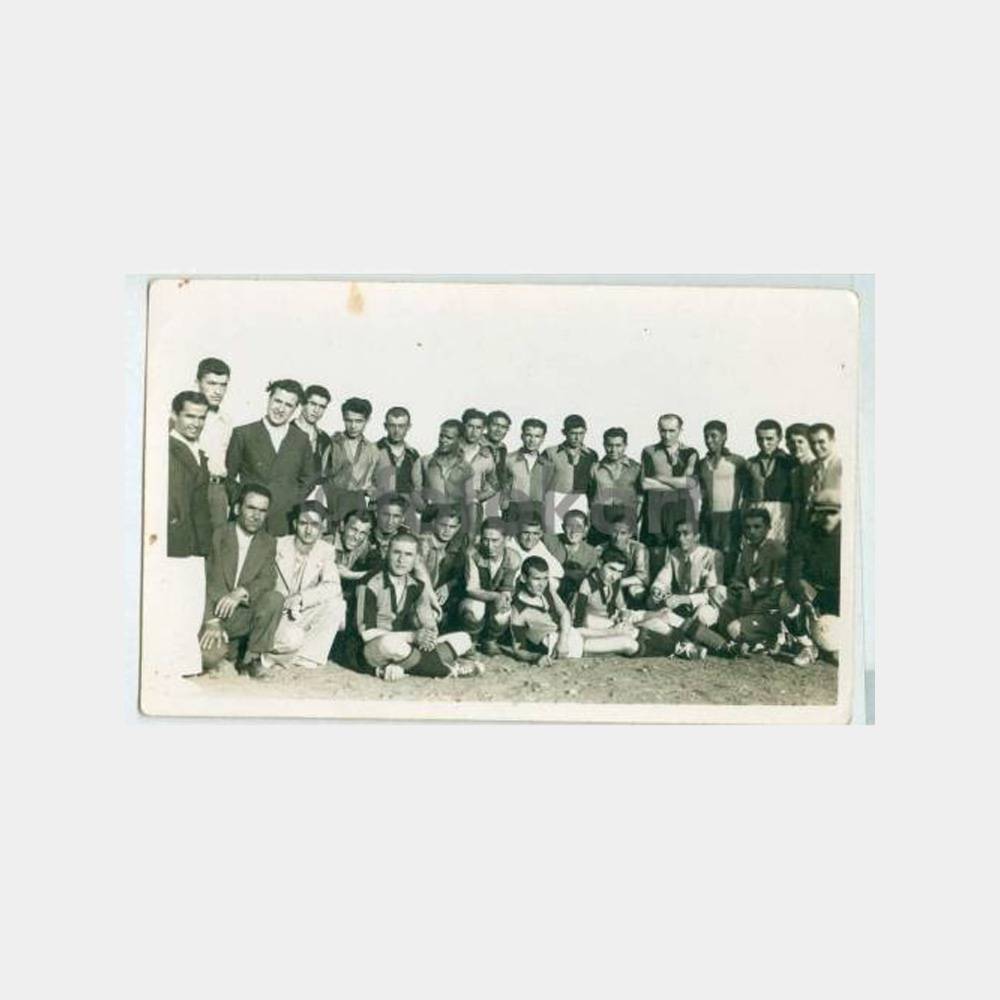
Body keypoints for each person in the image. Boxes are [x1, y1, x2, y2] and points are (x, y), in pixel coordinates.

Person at [357, 532, 484, 681]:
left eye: (408, 554)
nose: (401, 560)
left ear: (416, 559)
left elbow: (428, 624)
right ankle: (445, 670)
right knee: (390, 643)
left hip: (404, 646)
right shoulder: (369, 583)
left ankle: (405, 666)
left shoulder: (416, 585)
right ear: (387, 553)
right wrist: (413, 636)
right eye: (396, 552)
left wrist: (428, 636)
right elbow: (366, 634)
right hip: (374, 646)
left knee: (463, 639)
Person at [199, 484, 284, 678]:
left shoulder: (268, 542)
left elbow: (268, 579)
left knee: (274, 598)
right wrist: (211, 621)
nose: (256, 516)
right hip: (212, 613)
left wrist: (242, 591)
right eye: (251, 508)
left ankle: (251, 660)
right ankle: (228, 653)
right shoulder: (217, 535)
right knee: (209, 658)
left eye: (262, 511)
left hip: (241, 616)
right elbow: (201, 581)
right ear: (238, 508)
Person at [263, 501, 346, 670]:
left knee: (337, 605)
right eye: (303, 523)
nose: (308, 530)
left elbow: (333, 587)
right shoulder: (277, 545)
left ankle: (306, 656)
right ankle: (269, 656)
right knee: (293, 638)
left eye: (314, 525)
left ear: (322, 526)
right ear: (295, 524)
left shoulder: (325, 550)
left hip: (298, 612)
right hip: (275, 616)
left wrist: (302, 598)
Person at [226, 379, 314, 537]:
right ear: (269, 399)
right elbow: (229, 476)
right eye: (277, 401)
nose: (281, 409)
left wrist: (291, 502)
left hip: (283, 521)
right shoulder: (243, 433)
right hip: (248, 520)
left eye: (288, 405)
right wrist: (243, 503)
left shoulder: (301, 439)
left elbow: (308, 479)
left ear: (296, 409)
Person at [641, 522, 729, 658]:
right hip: (681, 606)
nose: (680, 538)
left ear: (697, 536)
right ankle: (686, 638)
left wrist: (684, 599)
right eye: (678, 534)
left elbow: (713, 593)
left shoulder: (712, 555)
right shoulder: (674, 554)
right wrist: (658, 590)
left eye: (686, 534)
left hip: (702, 604)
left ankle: (701, 639)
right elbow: (662, 579)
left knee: (703, 615)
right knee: (652, 601)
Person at [780, 491, 842, 666]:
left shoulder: (852, 535)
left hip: (841, 593)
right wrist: (803, 600)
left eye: (832, 512)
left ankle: (840, 644)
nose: (827, 517)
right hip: (813, 590)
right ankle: (807, 645)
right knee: (786, 599)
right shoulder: (803, 535)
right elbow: (792, 576)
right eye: (821, 512)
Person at [716, 507, 786, 652]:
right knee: (718, 592)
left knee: (733, 628)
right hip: (747, 603)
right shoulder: (747, 549)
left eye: (757, 527)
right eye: (747, 527)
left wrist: (754, 609)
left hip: (768, 611)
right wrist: (744, 591)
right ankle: (751, 640)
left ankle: (771, 638)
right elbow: (736, 579)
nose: (752, 531)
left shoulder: (777, 551)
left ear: (768, 528)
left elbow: (778, 592)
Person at [311, 396, 379, 526]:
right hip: (333, 500)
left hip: (358, 502)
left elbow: (372, 482)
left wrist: (371, 491)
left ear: (367, 420)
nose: (353, 426)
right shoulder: (332, 443)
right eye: (349, 420)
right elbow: (321, 475)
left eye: (359, 421)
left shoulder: (372, 450)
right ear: (343, 418)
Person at [459, 517, 521, 655]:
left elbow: (507, 587)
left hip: (494, 600)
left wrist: (504, 599)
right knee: (475, 608)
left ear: (506, 539)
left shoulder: (513, 558)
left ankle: (490, 640)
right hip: (474, 598)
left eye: (495, 540)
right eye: (485, 540)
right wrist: (496, 596)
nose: (489, 545)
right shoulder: (473, 554)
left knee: (504, 612)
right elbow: (471, 588)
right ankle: (471, 640)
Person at [640, 413, 699, 552]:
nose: (667, 436)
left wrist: (659, 478)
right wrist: (678, 484)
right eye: (663, 431)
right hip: (655, 510)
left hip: (682, 510)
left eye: (672, 431)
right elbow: (645, 484)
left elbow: (689, 483)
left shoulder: (690, 452)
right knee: (655, 554)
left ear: (680, 430)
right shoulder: (649, 451)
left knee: (682, 554)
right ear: (658, 429)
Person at [569, 548, 644, 656]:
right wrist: (612, 631)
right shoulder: (585, 587)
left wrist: (624, 617)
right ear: (600, 564)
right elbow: (575, 627)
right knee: (631, 642)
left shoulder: (614, 581)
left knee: (638, 629)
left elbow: (622, 607)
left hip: (610, 624)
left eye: (619, 571)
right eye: (612, 569)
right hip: (589, 634)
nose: (614, 576)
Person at [696, 420, 747, 578]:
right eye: (706, 436)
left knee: (729, 554)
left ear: (724, 436)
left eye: (714, 436)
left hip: (730, 516)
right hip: (708, 515)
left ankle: (728, 586)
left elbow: (749, 488)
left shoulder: (737, 461)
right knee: (707, 554)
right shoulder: (701, 463)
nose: (709, 440)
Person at [168, 391, 212, 558]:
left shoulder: (197, 451)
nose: (196, 424)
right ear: (174, 415)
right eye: (190, 416)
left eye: (201, 418)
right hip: (176, 545)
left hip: (197, 546)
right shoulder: (166, 449)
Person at [194, 357, 234, 530]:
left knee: (218, 540)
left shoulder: (226, 421)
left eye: (223, 385)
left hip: (218, 489)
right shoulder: (184, 418)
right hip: (192, 487)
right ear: (198, 383)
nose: (218, 391)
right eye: (211, 383)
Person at [543, 414, 598, 533]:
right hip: (555, 498)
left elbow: (593, 483)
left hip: (580, 499)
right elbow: (541, 482)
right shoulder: (550, 453)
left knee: (577, 535)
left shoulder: (591, 455)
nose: (577, 438)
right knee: (553, 535)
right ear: (564, 432)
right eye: (573, 433)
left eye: (581, 433)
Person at [744, 418, 795, 544]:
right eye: (760, 439)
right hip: (755, 513)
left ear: (779, 438)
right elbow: (746, 496)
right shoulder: (750, 463)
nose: (764, 443)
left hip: (781, 513)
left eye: (769, 439)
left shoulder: (790, 462)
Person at [589, 426, 643, 543]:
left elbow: (641, 498)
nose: (613, 450)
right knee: (597, 551)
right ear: (604, 445)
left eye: (618, 445)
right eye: (610, 445)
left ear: (625, 445)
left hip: (626, 520)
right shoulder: (595, 468)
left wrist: (634, 519)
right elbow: (589, 495)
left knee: (625, 552)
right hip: (600, 520)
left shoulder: (636, 468)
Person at [372, 406, 423, 527]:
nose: (396, 431)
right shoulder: (373, 450)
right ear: (385, 426)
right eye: (392, 425)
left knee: (413, 535)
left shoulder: (413, 454)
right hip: (379, 508)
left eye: (401, 426)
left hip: (406, 510)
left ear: (408, 427)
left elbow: (418, 487)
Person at [418, 504, 468, 625]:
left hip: (442, 597)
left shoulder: (456, 547)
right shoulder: (423, 543)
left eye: (452, 527)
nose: (447, 530)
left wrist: (448, 586)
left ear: (458, 528)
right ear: (434, 523)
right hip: (420, 595)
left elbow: (459, 575)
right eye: (443, 525)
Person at [420, 419, 476, 528]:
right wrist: (427, 508)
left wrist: (471, 531)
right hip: (430, 522)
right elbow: (415, 492)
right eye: (441, 436)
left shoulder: (466, 468)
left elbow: (470, 501)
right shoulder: (424, 461)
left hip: (455, 522)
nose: (443, 440)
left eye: (449, 438)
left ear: (460, 440)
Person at [503, 417, 554, 527]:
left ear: (543, 439)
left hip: (537, 508)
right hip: (513, 507)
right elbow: (502, 484)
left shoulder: (547, 464)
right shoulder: (509, 459)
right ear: (522, 436)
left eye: (537, 436)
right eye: (528, 435)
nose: (532, 440)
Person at [544, 509, 599, 603]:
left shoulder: (591, 552)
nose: (574, 531)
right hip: (549, 591)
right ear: (563, 527)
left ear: (586, 528)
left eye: (579, 526)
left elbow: (588, 580)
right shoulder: (550, 541)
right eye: (569, 526)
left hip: (575, 595)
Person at [458, 408, 501, 529]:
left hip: (473, 510)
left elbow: (494, 484)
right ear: (463, 426)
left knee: (471, 538)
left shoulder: (487, 455)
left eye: (478, 428)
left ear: (483, 429)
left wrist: (477, 498)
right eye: (470, 426)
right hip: (449, 506)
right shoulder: (451, 449)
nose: (474, 431)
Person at [597, 512, 650, 608]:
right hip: (606, 585)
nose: (617, 537)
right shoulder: (600, 549)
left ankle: (635, 612)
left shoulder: (638, 548)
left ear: (630, 534)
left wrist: (618, 584)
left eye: (623, 533)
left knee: (636, 590)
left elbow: (642, 577)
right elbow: (596, 573)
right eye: (614, 532)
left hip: (627, 584)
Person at [505, 511, 565, 586]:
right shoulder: (508, 545)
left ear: (541, 533)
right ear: (518, 531)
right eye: (526, 533)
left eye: (535, 533)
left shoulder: (538, 545)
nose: (530, 538)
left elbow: (559, 572)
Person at [786, 422, 814, 540]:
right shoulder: (794, 470)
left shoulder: (816, 466)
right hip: (798, 526)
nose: (796, 446)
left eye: (800, 441)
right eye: (792, 442)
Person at [294, 384, 332, 473]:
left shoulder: (324, 439)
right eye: (313, 404)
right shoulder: (285, 431)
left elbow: (325, 473)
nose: (316, 410)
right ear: (302, 403)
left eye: (322, 407)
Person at [807, 423, 842, 510]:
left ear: (832, 440)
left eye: (821, 442)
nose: (816, 447)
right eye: (812, 443)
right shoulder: (811, 467)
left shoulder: (842, 465)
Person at [484, 409, 512, 487]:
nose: (498, 430)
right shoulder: (476, 444)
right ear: (487, 426)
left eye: (503, 427)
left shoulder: (502, 448)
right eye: (495, 425)